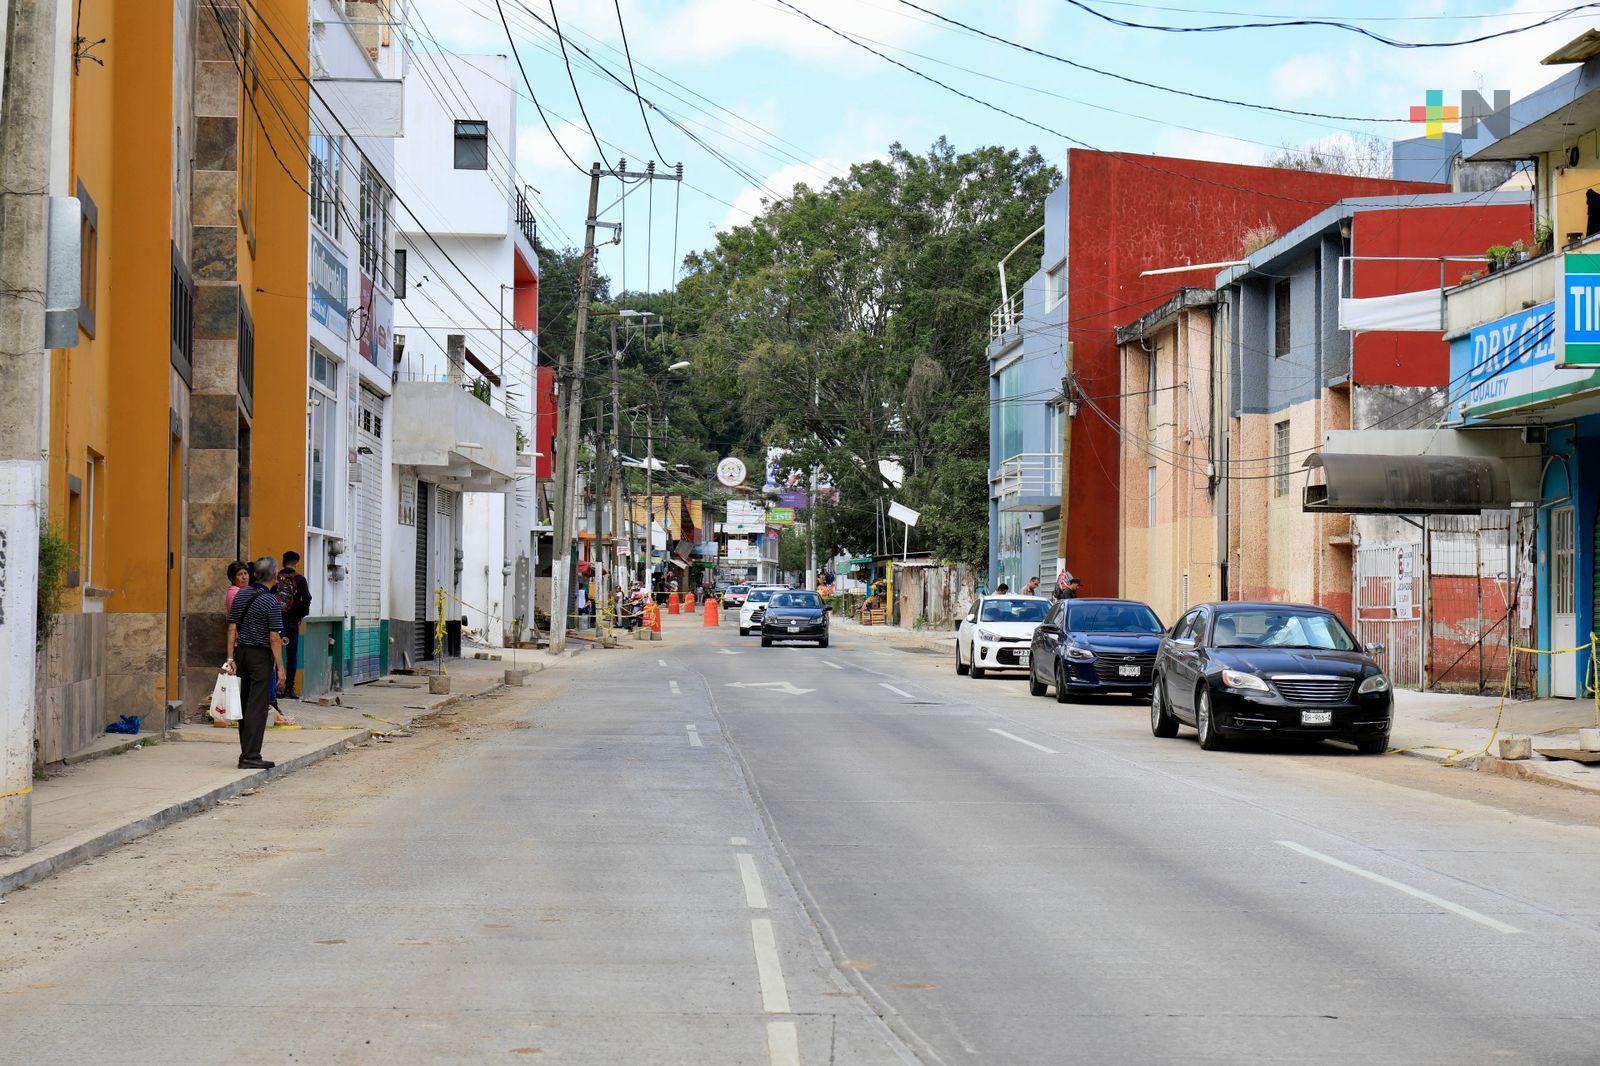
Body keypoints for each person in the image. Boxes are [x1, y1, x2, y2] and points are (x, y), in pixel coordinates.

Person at [225, 557, 287, 770]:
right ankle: (252, 755)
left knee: (244, 703)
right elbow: (274, 638)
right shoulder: (271, 601)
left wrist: (230, 658)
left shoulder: (241, 595)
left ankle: (245, 753)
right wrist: (281, 668)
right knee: (257, 706)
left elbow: (232, 628)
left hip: (241, 653)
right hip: (260, 656)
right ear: (275, 576)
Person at [274, 550, 313, 700]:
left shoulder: (276, 578)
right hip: (291, 623)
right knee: (292, 655)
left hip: (276, 622)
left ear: (283, 562)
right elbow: (307, 598)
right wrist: (300, 615)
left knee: (275, 654)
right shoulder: (300, 579)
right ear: (296, 562)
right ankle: (289, 688)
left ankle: (275, 688)